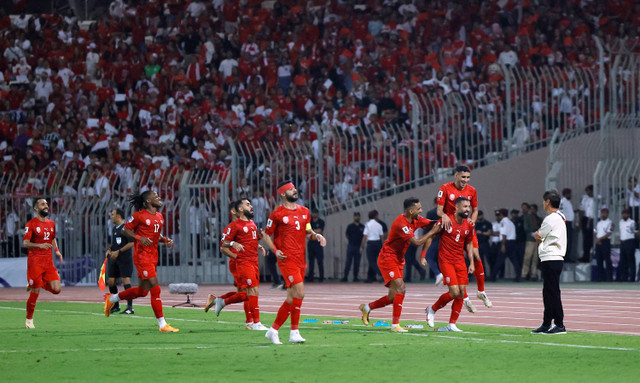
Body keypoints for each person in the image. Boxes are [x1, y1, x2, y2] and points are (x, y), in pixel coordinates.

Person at [103, 191, 179, 333]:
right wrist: (139, 237)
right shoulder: (139, 215)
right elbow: (125, 230)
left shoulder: (159, 217)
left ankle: (112, 299)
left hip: (153, 256)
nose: (159, 198)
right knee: (155, 288)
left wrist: (165, 240)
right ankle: (162, 324)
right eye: (155, 196)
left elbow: (155, 235)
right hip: (142, 257)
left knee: (142, 291)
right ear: (148, 201)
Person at [261, 181, 326, 344]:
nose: (294, 191)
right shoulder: (277, 214)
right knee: (300, 292)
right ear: (283, 194)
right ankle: (294, 332)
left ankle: (273, 330)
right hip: (286, 259)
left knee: (291, 298)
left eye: (295, 188)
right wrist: (275, 251)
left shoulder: (305, 212)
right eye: (291, 189)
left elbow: (308, 232)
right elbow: (266, 235)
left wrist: (316, 236)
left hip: (300, 259)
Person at [358, 197, 435, 333]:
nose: (421, 211)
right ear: (411, 211)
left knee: (393, 297)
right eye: (419, 209)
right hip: (388, 258)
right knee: (401, 288)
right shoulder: (401, 223)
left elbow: (431, 223)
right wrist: (434, 231)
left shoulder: (416, 219)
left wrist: (446, 221)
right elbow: (416, 242)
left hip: (398, 259)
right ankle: (395, 325)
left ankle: (367, 308)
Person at [431, 165, 491, 308]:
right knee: (456, 259)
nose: (465, 180)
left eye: (468, 177)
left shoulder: (472, 190)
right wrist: (445, 215)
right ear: (456, 175)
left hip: (465, 228)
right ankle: (464, 297)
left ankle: (481, 291)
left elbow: (475, 210)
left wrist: (472, 221)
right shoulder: (444, 188)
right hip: (451, 229)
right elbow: (439, 210)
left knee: (476, 256)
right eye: (463, 177)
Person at [205, 198, 268, 331]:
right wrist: (234, 247)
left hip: (253, 261)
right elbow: (222, 244)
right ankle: (254, 323)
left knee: (248, 293)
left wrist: (258, 242)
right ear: (240, 209)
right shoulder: (234, 225)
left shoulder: (252, 224)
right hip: (243, 263)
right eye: (248, 204)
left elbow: (248, 241)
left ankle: (220, 301)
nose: (251, 206)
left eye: (251, 204)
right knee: (251, 291)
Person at [423, 197, 476, 332]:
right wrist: (423, 255)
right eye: (464, 207)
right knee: (454, 292)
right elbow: (431, 235)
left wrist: (471, 262)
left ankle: (451, 324)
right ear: (456, 208)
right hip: (446, 261)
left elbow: (469, 243)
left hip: (460, 261)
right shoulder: (446, 221)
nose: (467, 210)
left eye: (468, 207)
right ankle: (432, 309)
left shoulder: (469, 224)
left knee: (461, 292)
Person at [23, 197, 63, 329]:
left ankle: (36, 283)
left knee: (57, 290)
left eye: (46, 204)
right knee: (36, 290)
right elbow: (25, 243)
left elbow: (52, 238)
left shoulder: (51, 224)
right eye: (42, 204)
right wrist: (39, 246)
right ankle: (29, 320)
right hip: (35, 261)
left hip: (48, 261)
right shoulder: (31, 224)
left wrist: (57, 251)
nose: (46, 206)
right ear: (36, 208)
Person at [531, 190, 567, 334]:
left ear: (548, 202)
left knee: (552, 292)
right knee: (549, 292)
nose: (543, 203)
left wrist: (537, 236)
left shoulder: (550, 219)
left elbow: (539, 235)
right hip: (556, 258)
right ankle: (546, 323)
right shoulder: (561, 216)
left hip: (551, 257)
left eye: (544, 201)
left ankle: (559, 324)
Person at [105, 208, 135, 314]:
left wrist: (119, 251)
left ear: (118, 216)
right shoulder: (114, 229)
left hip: (124, 259)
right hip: (114, 259)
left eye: (112, 214)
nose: (111, 216)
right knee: (111, 282)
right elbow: (114, 243)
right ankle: (116, 305)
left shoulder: (127, 228)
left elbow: (132, 243)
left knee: (125, 281)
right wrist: (109, 249)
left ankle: (130, 307)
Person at [490, 208, 521, 282]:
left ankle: (493, 277)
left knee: (499, 260)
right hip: (512, 243)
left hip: (506, 243)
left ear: (501, 214)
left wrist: (503, 245)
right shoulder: (511, 222)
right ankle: (518, 276)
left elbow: (504, 235)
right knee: (514, 261)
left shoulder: (503, 222)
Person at [361, 210, 385, 283]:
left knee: (371, 261)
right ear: (375, 216)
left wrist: (362, 246)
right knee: (377, 261)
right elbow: (382, 237)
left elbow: (365, 236)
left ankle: (381, 274)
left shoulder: (367, 224)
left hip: (371, 243)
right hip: (378, 243)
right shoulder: (379, 225)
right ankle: (370, 277)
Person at [521, 203, 541, 281]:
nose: (532, 211)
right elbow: (526, 228)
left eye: (533, 209)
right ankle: (524, 274)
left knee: (535, 258)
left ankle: (534, 274)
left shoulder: (539, 218)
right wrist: (535, 230)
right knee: (527, 258)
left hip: (537, 240)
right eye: (531, 209)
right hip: (530, 239)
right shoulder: (527, 218)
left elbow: (542, 227)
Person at [343, 212, 364, 282]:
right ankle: (345, 276)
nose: (357, 217)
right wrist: (351, 240)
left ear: (360, 217)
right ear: (354, 217)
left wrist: (361, 246)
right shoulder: (350, 226)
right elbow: (346, 235)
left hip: (358, 246)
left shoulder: (362, 226)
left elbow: (364, 236)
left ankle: (355, 277)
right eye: (356, 216)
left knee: (357, 262)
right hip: (351, 245)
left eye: (358, 216)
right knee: (348, 262)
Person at [593, 208, 613, 282]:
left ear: (607, 214)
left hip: (605, 242)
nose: (603, 214)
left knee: (607, 260)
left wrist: (599, 239)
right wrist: (596, 239)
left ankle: (609, 278)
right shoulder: (599, 223)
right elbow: (595, 231)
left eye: (604, 213)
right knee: (599, 260)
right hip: (598, 242)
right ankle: (601, 278)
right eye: (602, 213)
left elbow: (609, 233)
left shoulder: (610, 223)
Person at [618, 209, 638, 282]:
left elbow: (635, 233)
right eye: (623, 214)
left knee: (631, 261)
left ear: (629, 215)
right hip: (623, 242)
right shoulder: (621, 222)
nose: (624, 215)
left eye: (625, 214)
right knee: (623, 261)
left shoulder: (632, 222)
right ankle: (624, 277)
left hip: (630, 241)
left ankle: (632, 278)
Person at [306, 209, 325, 282]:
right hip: (311, 243)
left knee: (320, 260)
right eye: (313, 213)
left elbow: (320, 230)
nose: (314, 214)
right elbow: (307, 232)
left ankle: (321, 277)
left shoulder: (321, 222)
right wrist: (314, 232)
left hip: (318, 243)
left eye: (315, 213)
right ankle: (311, 277)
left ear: (317, 214)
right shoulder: (309, 222)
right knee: (311, 261)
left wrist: (312, 232)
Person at [578, 185, 595, 262]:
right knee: (586, 239)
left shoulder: (597, 198)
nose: (587, 193)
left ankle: (593, 256)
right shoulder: (585, 198)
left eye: (589, 191)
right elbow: (581, 210)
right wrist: (580, 221)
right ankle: (586, 256)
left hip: (593, 220)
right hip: (586, 219)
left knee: (592, 239)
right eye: (587, 191)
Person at [559, 188, 576, 262]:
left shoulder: (568, 202)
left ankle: (567, 256)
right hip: (565, 223)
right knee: (566, 240)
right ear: (566, 194)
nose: (571, 195)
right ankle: (565, 257)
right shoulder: (563, 202)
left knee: (569, 240)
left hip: (569, 222)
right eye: (569, 194)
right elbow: (561, 212)